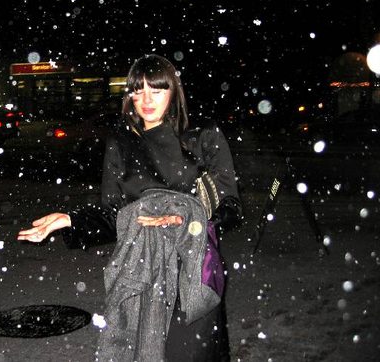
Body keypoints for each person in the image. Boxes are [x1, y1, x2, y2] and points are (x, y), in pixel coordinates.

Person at [18, 54, 242, 361]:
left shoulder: (202, 135)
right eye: (139, 90)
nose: (146, 100)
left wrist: (189, 222)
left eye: (157, 90)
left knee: (191, 354)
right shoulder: (121, 142)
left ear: (173, 92)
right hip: (143, 270)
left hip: (192, 269)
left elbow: (231, 206)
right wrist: (70, 220)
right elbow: (114, 214)